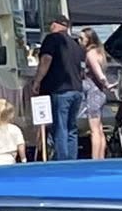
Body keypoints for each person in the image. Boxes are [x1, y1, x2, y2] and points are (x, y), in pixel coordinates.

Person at [33, 13, 85, 160]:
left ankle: (62, 160)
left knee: (60, 127)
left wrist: (37, 81)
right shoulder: (76, 45)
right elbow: (82, 70)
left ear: (55, 24)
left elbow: (46, 60)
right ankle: (72, 159)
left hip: (59, 89)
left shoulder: (52, 39)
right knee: (71, 127)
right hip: (77, 90)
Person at [80, 28, 113, 160]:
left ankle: (95, 157)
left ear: (89, 39)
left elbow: (98, 73)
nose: (80, 41)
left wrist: (106, 83)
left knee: (94, 129)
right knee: (99, 127)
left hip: (93, 92)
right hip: (100, 93)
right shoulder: (100, 53)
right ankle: (101, 156)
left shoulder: (90, 54)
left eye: (82, 39)